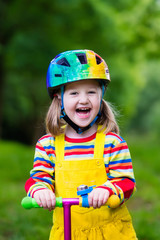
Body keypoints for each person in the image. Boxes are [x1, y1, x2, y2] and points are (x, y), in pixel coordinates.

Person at [25, 49, 137, 240]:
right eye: (74, 92)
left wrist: (107, 189)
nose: (83, 99)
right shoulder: (47, 145)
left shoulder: (112, 143)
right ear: (59, 98)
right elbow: (38, 177)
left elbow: (126, 182)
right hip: (67, 232)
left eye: (91, 92)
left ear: (101, 96)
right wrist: (41, 190)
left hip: (110, 232)